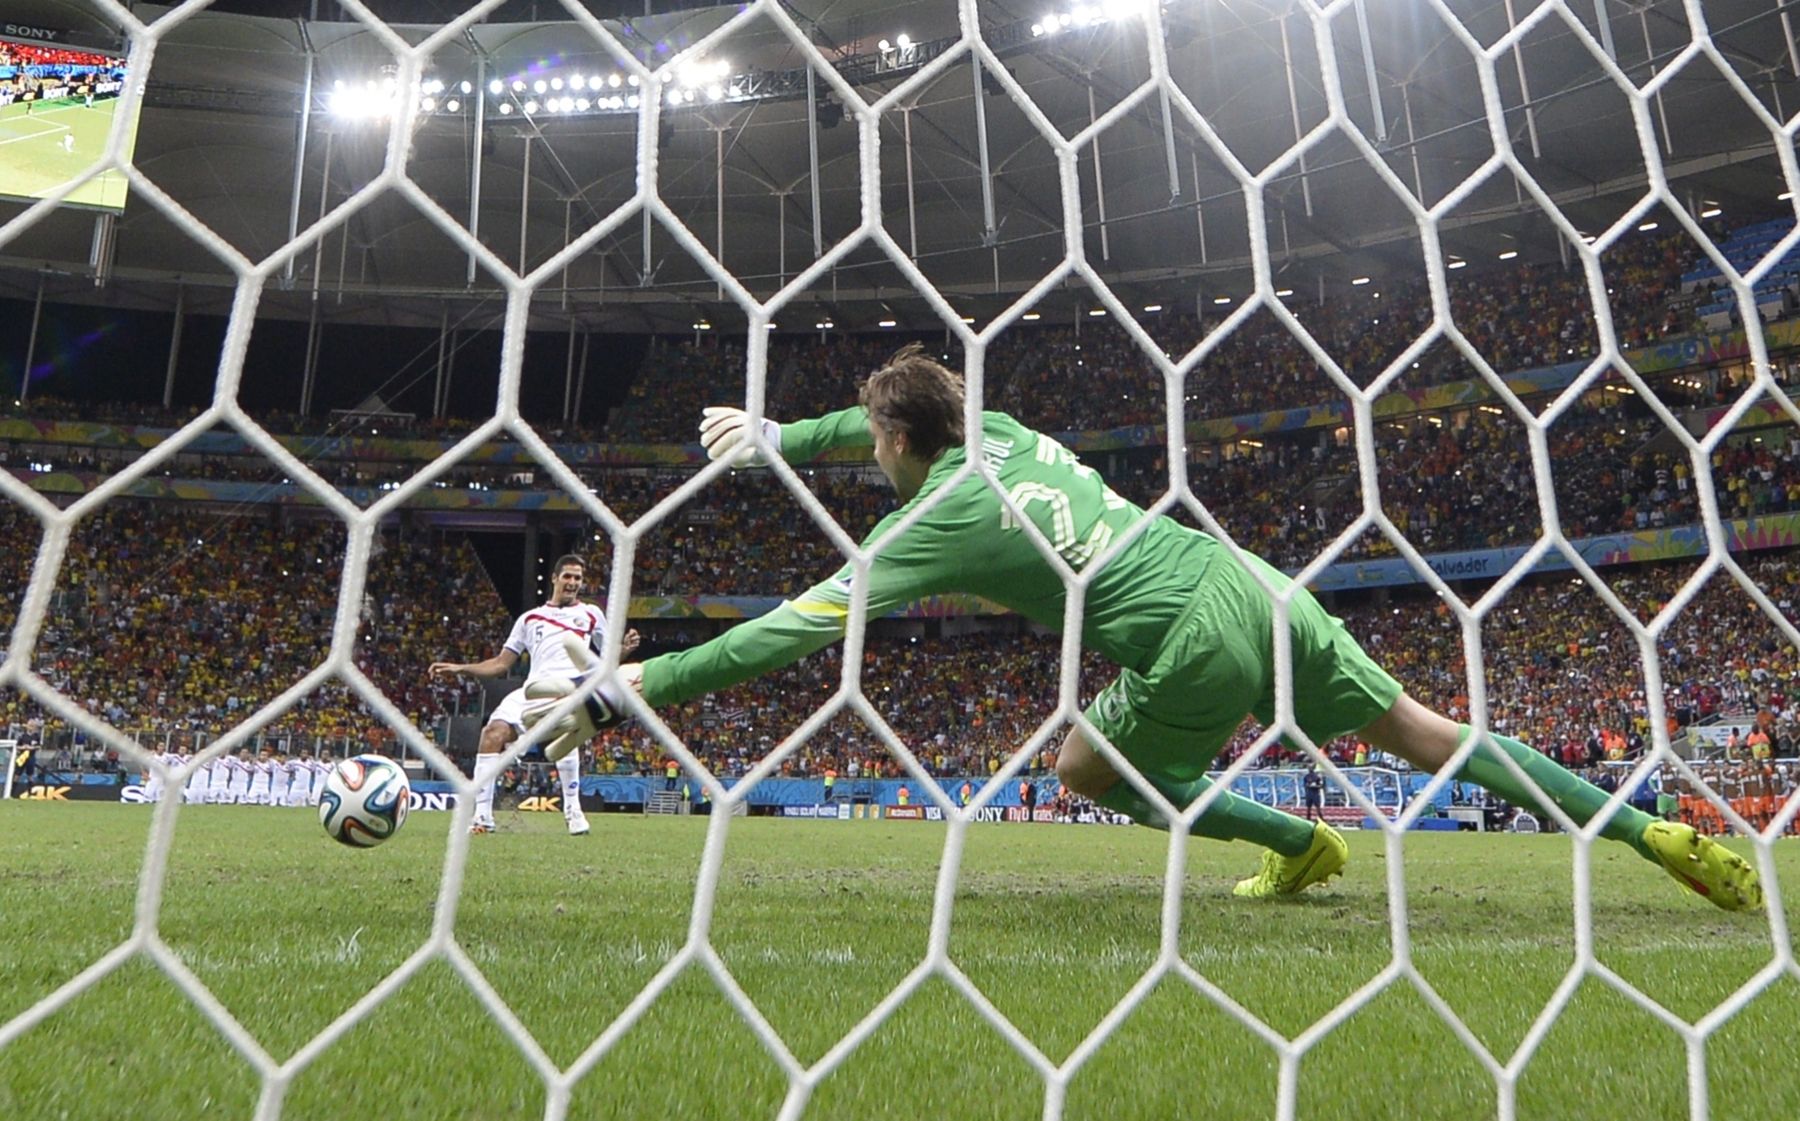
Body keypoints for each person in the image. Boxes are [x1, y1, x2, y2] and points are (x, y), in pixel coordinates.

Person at [533, 344, 1761, 911]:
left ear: (903, 446)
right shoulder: (995, 429)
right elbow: (889, 416)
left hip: (1183, 632)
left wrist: (630, 685)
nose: (871, 454)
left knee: (1080, 763)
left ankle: (1298, 838)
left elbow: (789, 636)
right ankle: (1660, 836)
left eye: (873, 442)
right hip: (1250, 578)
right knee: (1431, 730)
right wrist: (783, 441)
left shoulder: (927, 528)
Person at [430, 553, 639, 836]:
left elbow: (605, 662)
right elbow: (501, 664)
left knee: (566, 731)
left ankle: (574, 813)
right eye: (567, 576)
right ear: (554, 578)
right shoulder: (530, 619)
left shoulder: (591, 614)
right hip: (534, 689)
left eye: (578, 578)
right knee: (492, 733)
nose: (573, 582)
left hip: (570, 688)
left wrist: (624, 650)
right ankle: (482, 817)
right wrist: (461, 668)